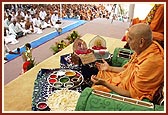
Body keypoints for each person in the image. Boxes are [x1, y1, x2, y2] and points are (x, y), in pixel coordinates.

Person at [91, 23, 164, 102]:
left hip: (128, 91)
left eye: (130, 38)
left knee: (96, 88)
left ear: (141, 42)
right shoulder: (145, 48)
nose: (127, 40)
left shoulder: (150, 63)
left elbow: (131, 93)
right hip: (125, 79)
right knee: (103, 72)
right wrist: (109, 68)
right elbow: (127, 69)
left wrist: (105, 83)